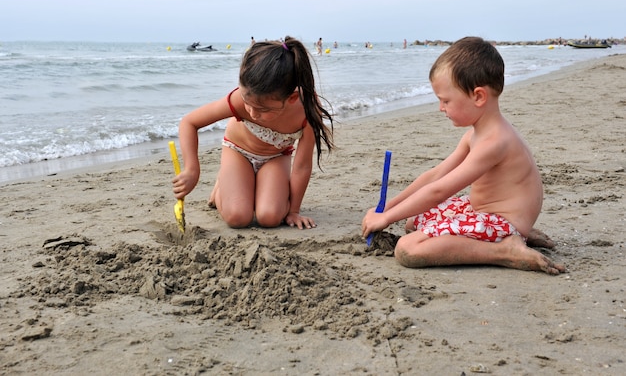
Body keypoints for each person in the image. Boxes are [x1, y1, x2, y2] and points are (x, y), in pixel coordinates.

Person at [361, 36, 566, 275]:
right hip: (485, 211)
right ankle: (511, 236)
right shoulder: (475, 134)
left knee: (408, 248)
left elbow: (440, 190)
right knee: (413, 221)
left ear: (478, 96)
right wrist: (384, 209)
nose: (441, 108)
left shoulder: (495, 142)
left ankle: (505, 250)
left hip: (503, 219)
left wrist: (385, 220)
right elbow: (435, 175)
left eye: (445, 100)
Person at [173, 36, 334, 229]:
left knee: (270, 217)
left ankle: (251, 187)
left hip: (276, 157)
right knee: (238, 217)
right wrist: (192, 169)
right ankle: (221, 188)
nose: (252, 113)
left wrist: (293, 211)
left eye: (263, 110)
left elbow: (301, 166)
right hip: (238, 152)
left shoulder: (307, 109)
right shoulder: (239, 100)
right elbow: (189, 123)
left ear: (291, 98)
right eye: (247, 104)